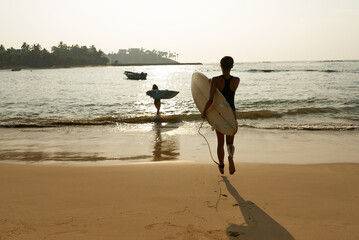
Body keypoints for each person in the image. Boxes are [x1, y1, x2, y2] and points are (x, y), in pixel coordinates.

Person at [201, 56, 240, 175]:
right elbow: (227, 94)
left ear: (220, 65)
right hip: (231, 114)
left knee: (220, 142)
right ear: (232, 66)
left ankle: (221, 165)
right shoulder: (236, 80)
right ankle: (230, 156)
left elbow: (211, 99)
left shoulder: (215, 80)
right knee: (230, 143)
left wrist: (204, 112)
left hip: (219, 115)